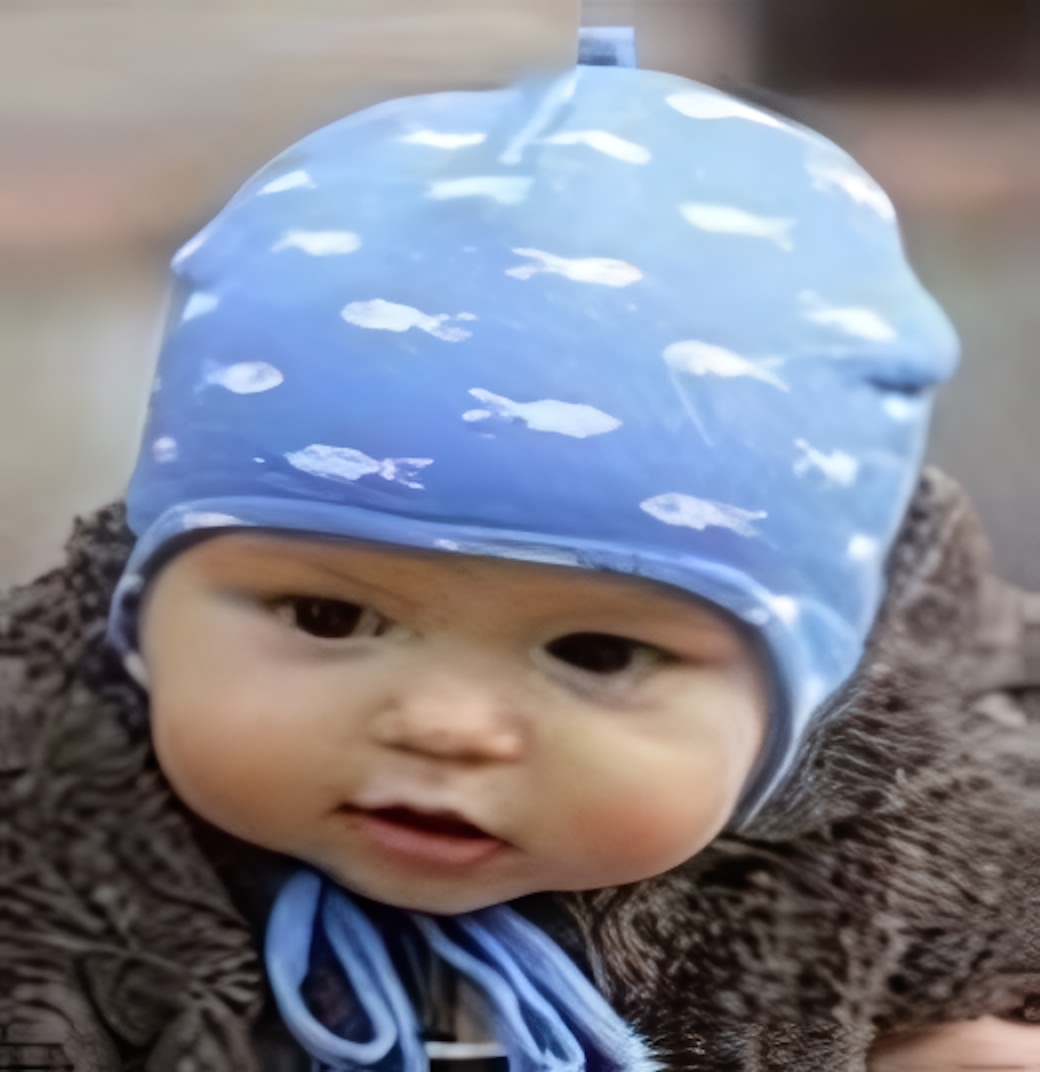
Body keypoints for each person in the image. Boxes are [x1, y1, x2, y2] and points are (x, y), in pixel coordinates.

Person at [8, 63, 1039, 1071]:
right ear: (144, 613)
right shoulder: (56, 867)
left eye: (595, 652)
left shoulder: (880, 911)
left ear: (797, 709)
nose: (444, 725)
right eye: (327, 616)